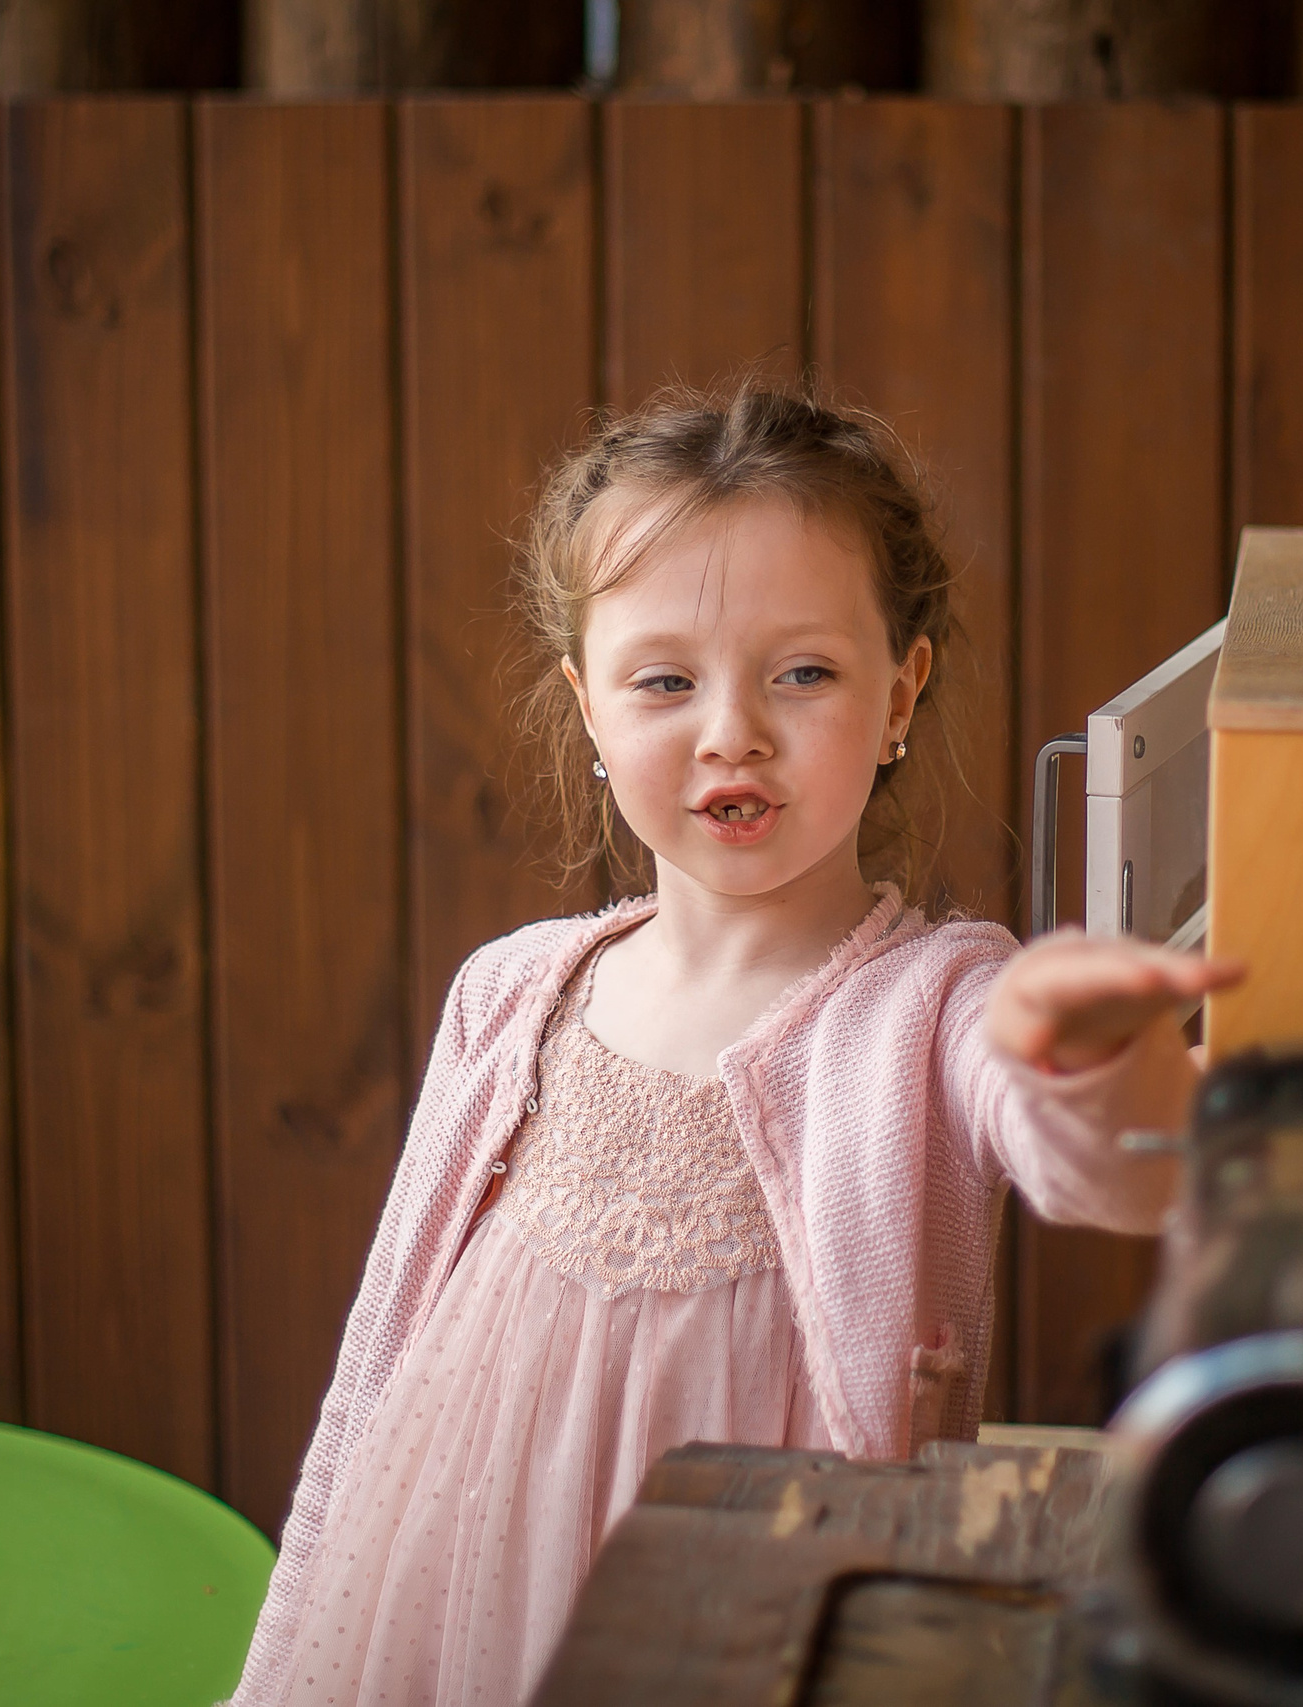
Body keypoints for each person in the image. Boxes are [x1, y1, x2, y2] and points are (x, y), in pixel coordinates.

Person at [228, 383, 1240, 1707]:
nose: (731, 732)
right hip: (474, 1609)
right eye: (664, 681)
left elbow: (1115, 1165)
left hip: (772, 1626)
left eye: (803, 673)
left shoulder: (937, 1006)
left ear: (900, 694)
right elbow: (381, 1377)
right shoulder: (510, 996)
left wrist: (1100, 1049)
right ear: (586, 705)